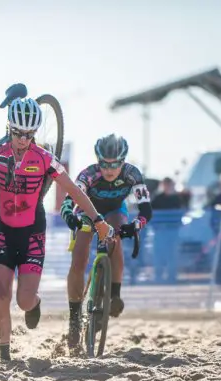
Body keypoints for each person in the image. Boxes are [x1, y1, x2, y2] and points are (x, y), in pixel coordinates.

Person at [0, 98, 113, 362]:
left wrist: (98, 219)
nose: (23, 139)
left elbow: (74, 191)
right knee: (2, 294)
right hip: (3, 232)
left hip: (32, 234)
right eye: (18, 132)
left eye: (29, 134)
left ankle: (35, 304)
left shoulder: (44, 158)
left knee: (24, 300)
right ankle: (5, 356)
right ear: (9, 127)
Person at [60, 134, 153, 350]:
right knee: (80, 258)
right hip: (88, 210)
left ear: (124, 161)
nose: (109, 170)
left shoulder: (133, 174)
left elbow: (146, 209)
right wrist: (69, 215)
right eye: (104, 164)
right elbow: (70, 199)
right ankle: (74, 319)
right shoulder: (88, 174)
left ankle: (115, 296)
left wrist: (136, 225)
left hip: (114, 210)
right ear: (97, 160)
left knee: (116, 235)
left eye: (115, 164)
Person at [151, 177, 183, 283]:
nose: (167, 186)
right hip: (160, 232)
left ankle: (172, 277)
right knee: (158, 255)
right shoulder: (157, 198)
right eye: (165, 184)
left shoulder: (176, 199)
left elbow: (180, 213)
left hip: (172, 232)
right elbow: (150, 213)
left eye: (169, 184)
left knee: (172, 255)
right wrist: (157, 226)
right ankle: (158, 277)